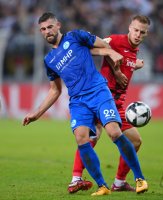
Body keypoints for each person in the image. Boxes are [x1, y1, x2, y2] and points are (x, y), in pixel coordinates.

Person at [22, 12, 148, 196]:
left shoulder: (75, 36)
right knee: (82, 138)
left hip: (98, 90)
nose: (47, 31)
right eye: (43, 29)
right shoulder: (49, 60)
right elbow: (55, 90)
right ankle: (102, 186)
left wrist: (112, 54)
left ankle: (139, 178)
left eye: (50, 27)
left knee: (114, 132)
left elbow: (103, 45)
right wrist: (37, 113)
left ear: (58, 25)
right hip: (78, 101)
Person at [68, 15, 150, 193]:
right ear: (129, 28)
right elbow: (87, 48)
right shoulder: (115, 40)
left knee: (135, 141)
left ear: (146, 34)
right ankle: (76, 178)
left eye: (142, 32)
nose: (138, 35)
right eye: (135, 30)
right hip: (102, 97)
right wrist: (116, 68)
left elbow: (125, 59)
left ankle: (119, 183)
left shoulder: (134, 49)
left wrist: (134, 64)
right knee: (91, 137)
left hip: (118, 104)